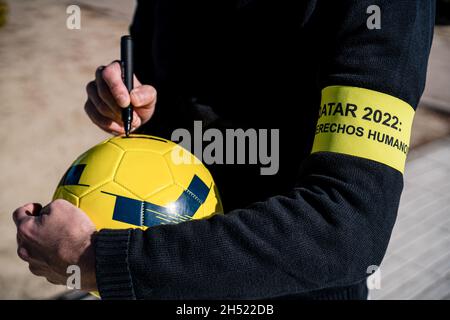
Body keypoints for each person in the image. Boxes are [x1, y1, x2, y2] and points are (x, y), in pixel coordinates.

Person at [13, 1, 435, 299]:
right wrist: (137, 101)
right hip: (164, 284)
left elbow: (345, 225)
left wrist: (97, 259)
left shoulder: (385, 8)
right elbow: (165, 92)